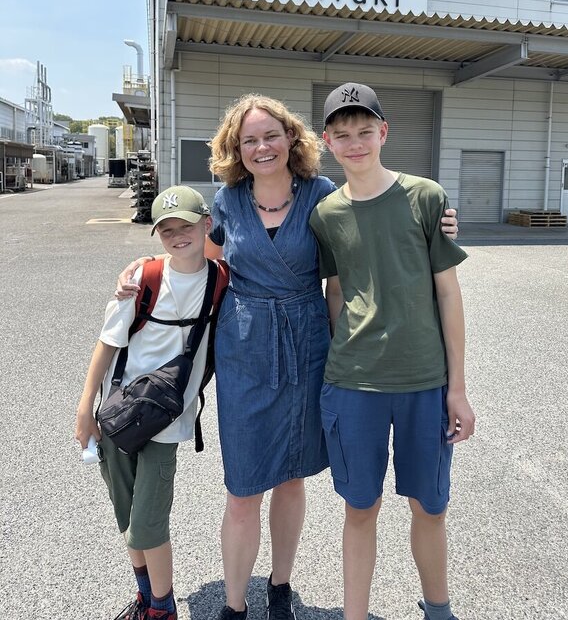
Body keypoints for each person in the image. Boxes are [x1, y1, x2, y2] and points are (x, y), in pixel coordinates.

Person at [116, 94, 460, 620]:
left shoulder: (321, 194)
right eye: (249, 140)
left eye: (271, 135)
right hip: (245, 349)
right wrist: (146, 266)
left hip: (308, 343)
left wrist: (440, 223)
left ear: (292, 138)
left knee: (293, 476)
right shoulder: (226, 202)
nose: (262, 147)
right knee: (242, 486)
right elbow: (199, 257)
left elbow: (359, 247)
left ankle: (280, 585)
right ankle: (234, 605)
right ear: (235, 148)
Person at [308, 83, 475, 620]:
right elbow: (336, 294)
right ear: (327, 142)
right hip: (353, 383)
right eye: (342, 134)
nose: (355, 143)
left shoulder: (426, 197)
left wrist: (457, 388)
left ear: (384, 132)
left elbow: (448, 293)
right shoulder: (326, 214)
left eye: (365, 131)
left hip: (424, 380)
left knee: (430, 506)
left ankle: (438, 609)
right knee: (361, 508)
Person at [75, 186, 219, 620]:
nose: (177, 236)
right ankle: (145, 596)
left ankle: (162, 607)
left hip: (168, 421)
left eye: (186, 226)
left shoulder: (220, 280)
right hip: (119, 413)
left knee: (148, 522)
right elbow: (107, 341)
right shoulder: (143, 278)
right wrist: (85, 408)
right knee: (127, 514)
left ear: (207, 225)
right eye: (166, 230)